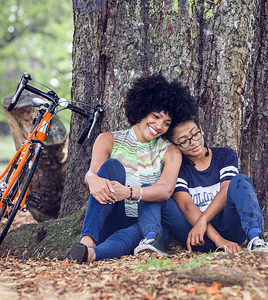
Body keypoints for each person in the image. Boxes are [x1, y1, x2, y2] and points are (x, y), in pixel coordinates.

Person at [65, 74, 196, 263]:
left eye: (167, 123)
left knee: (134, 232)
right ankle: (87, 241)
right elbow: (94, 173)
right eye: (156, 116)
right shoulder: (108, 139)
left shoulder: (170, 151)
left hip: (149, 225)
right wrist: (91, 178)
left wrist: (128, 192)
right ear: (142, 110)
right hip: (113, 214)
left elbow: (165, 190)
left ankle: (90, 254)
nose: (159, 126)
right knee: (112, 166)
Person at [135, 115, 268, 255]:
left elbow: (226, 190)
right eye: (184, 141)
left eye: (195, 134)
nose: (193, 142)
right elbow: (187, 207)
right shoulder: (178, 167)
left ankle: (256, 238)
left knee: (240, 180)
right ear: (175, 146)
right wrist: (217, 240)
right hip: (196, 237)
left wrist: (203, 220)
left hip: (230, 231)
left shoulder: (225, 155)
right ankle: (152, 240)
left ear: (201, 129)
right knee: (149, 191)